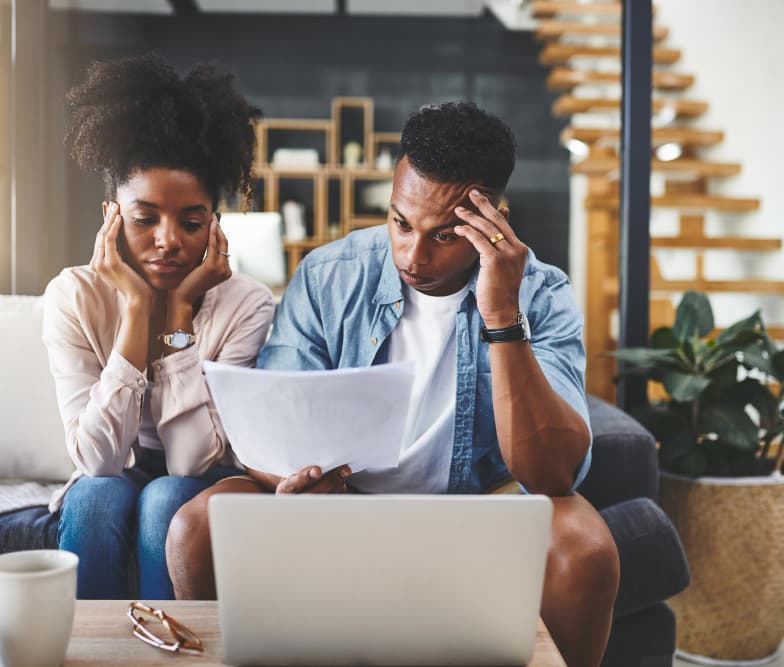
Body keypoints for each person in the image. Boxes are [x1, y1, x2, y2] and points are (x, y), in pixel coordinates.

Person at [165, 102, 619, 666]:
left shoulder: (541, 294)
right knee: (196, 525)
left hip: (479, 507)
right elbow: (270, 429)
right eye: (400, 222)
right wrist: (297, 478)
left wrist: (502, 315)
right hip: (344, 498)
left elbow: (554, 474)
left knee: (588, 547)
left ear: (492, 219)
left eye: (444, 236)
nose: (413, 254)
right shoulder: (330, 273)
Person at [43, 54, 274, 600]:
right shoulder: (73, 296)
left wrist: (178, 318)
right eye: (145, 219)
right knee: (98, 495)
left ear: (213, 224)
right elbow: (99, 460)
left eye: (190, 222)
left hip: (200, 475)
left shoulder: (246, 304)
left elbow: (192, 460)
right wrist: (134, 310)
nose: (168, 240)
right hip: (113, 471)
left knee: (169, 496)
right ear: (111, 217)